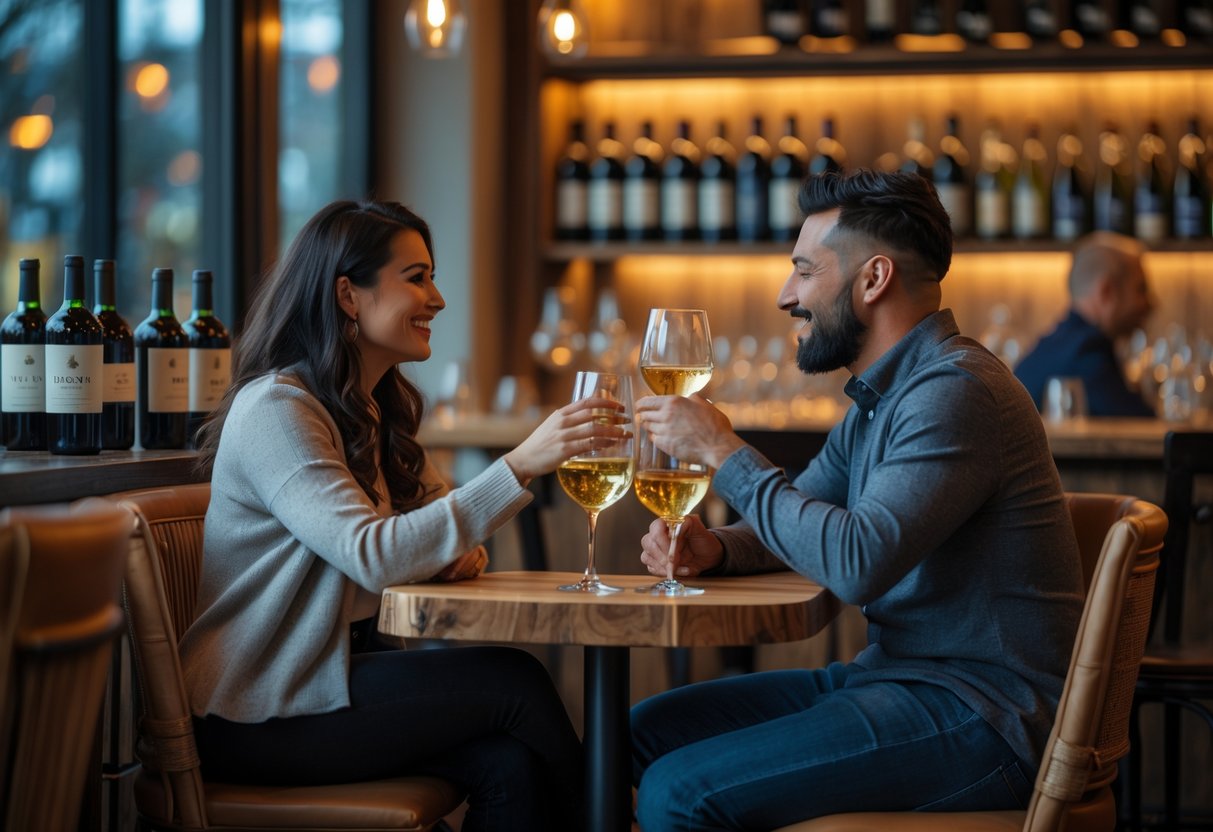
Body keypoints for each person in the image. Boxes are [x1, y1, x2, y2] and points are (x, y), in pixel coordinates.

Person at [630, 170, 1085, 830]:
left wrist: (723, 453)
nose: (785, 296)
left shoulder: (954, 393)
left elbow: (854, 561)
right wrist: (717, 550)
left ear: (872, 280)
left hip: (984, 715)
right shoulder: (881, 397)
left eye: (803, 271)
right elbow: (800, 511)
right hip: (894, 680)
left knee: (679, 790)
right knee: (644, 731)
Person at [183, 199, 619, 831]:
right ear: (348, 295)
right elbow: (378, 553)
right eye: (416, 277)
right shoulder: (279, 410)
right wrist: (521, 463)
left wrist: (441, 543)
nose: (437, 298)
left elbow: (441, 533)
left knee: (508, 766)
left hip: (331, 678)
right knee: (513, 681)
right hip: (257, 707)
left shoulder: (369, 408)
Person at [1014, 231, 1155, 417]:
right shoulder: (1087, 351)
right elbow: (1139, 421)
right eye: (1141, 290)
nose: (1150, 304)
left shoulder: (1050, 345)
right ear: (1106, 292)